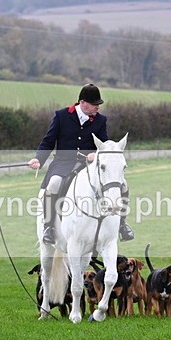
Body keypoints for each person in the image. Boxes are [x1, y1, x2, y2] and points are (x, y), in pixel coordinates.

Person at [28, 83, 134, 245]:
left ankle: (122, 223)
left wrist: (96, 154)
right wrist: (39, 159)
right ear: (82, 102)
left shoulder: (100, 120)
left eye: (99, 104)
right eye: (94, 104)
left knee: (123, 185)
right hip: (63, 163)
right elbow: (48, 141)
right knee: (54, 183)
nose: (98, 107)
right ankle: (49, 226)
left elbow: (104, 144)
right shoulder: (61, 116)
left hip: (89, 165)